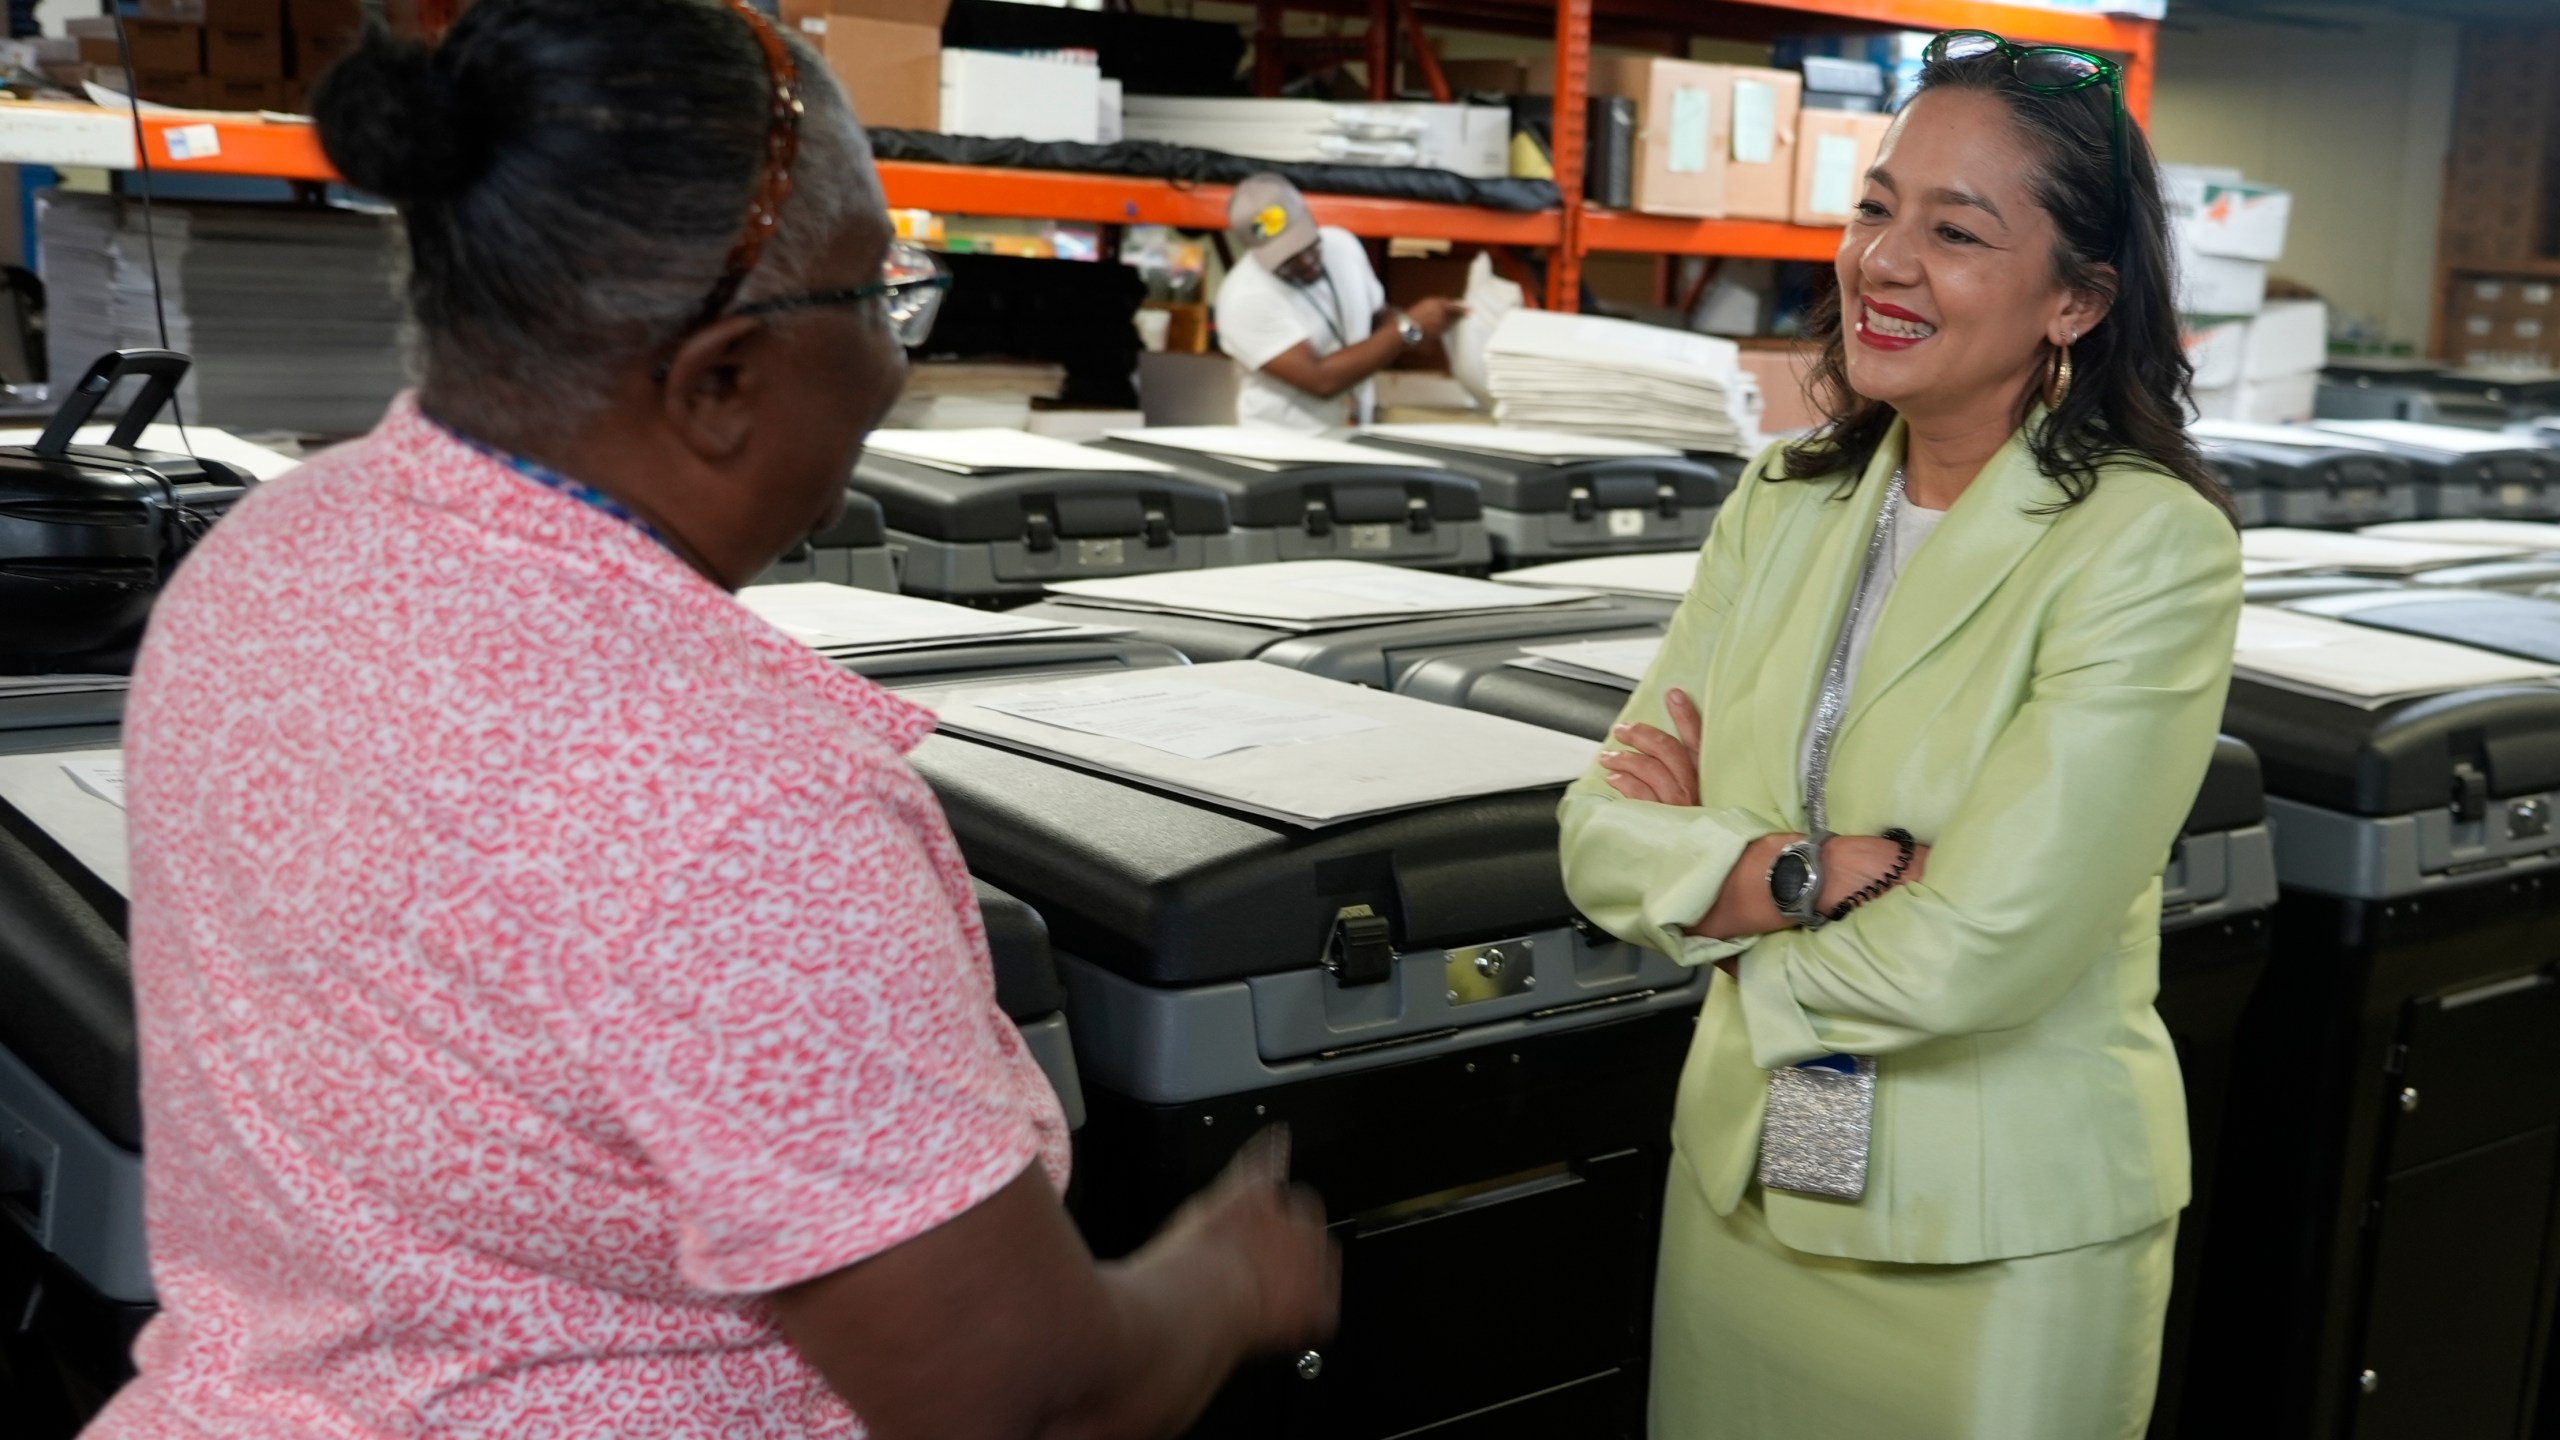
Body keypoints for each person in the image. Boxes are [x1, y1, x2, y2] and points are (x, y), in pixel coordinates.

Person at [85, 4, 1335, 1438]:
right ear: (720, 379)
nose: (891, 363)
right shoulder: (722, 795)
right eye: (880, 299)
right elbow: (1020, 1400)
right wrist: (1228, 1278)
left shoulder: (268, 560)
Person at [1557, 31, 2241, 1440]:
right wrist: (1808, 877)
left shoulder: (2145, 551)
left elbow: (1992, 935)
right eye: (1875, 208)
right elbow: (1599, 828)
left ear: (2077, 299)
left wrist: (1721, 902)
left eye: (1955, 229)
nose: (1885, 259)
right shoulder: (1784, 499)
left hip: (1990, 1244)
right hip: (1743, 1194)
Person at [1212, 172, 1463, 432]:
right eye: (1287, 259)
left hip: (1352, 433)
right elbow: (1322, 380)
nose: (1306, 262)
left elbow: (1379, 319)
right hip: (1283, 448)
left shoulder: (1342, 245)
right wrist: (1406, 330)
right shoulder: (1244, 298)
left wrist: (1416, 332)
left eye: (1309, 246)